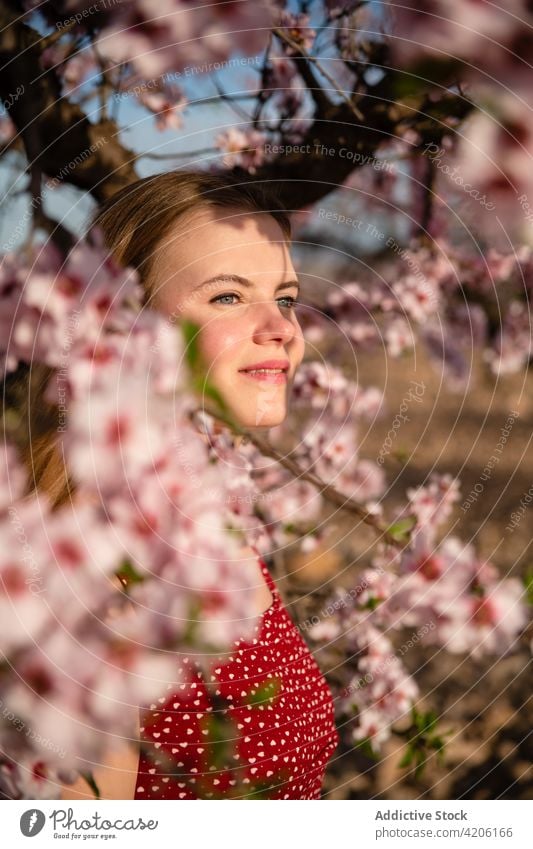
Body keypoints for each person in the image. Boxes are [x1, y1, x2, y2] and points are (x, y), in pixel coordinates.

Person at [36, 169, 339, 799]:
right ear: (120, 322)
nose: (282, 328)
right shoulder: (95, 562)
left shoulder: (202, 503)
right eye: (228, 297)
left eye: (284, 297)